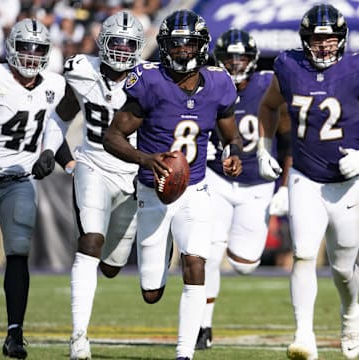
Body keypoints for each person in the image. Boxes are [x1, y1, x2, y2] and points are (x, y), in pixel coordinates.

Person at [103, 9, 242, 360]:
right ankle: (161, 248)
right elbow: (113, 136)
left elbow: (230, 132)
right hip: (153, 190)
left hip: (194, 189)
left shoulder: (219, 83)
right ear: (164, 47)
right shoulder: (150, 82)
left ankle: (184, 353)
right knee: (151, 292)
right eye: (175, 46)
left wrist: (233, 152)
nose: (181, 52)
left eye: (188, 45)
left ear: (201, 46)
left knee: (197, 261)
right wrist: (145, 159)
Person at [41, 10, 145, 360]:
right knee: (90, 242)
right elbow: (62, 114)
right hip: (94, 165)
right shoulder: (81, 70)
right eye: (115, 42)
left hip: (132, 175)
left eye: (128, 44)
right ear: (102, 42)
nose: (121, 50)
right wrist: (56, 154)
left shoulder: (149, 78)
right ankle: (79, 338)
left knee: (113, 265)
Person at [257, 4, 359, 360]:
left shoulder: (356, 68)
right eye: (317, 38)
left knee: (344, 268)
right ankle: (304, 335)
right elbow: (269, 105)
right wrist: (263, 146)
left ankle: (350, 318)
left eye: (330, 38)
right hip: (304, 176)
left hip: (348, 182)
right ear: (305, 40)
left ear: (341, 39)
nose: (324, 45)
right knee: (302, 254)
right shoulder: (288, 65)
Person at [195, 28, 292, 350]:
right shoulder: (206, 83)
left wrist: (285, 185)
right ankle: (202, 325)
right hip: (216, 179)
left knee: (245, 264)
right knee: (208, 251)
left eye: (241, 57)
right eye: (229, 58)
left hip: (258, 184)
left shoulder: (267, 83)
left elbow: (289, 136)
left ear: (252, 60)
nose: (235, 64)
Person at [0, 18, 73, 359]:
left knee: (17, 251)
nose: (30, 56)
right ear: (12, 48)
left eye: (38, 50)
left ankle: (15, 334)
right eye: (25, 48)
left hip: (19, 179)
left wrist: (63, 161)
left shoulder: (55, 86)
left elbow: (54, 129)